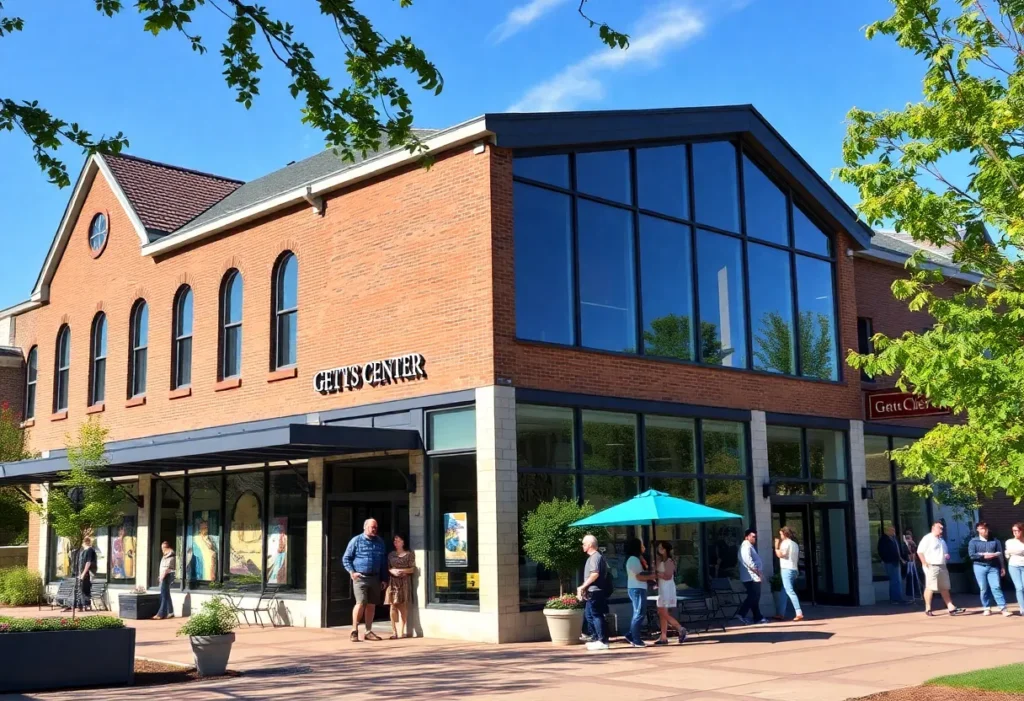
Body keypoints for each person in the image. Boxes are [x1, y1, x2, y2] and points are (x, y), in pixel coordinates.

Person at [342, 518, 389, 642]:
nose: (374, 529)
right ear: (365, 527)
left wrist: (384, 578)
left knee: (371, 604)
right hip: (360, 577)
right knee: (361, 602)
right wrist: (352, 572)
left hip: (375, 577)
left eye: (375, 527)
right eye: (372, 527)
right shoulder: (356, 541)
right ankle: (354, 630)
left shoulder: (380, 542)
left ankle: (368, 631)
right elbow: (346, 558)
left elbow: (384, 562)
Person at [917, 521, 966, 617]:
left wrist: (946, 556)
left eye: (942, 528)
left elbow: (944, 553)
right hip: (932, 565)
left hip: (942, 565)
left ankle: (951, 607)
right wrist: (924, 562)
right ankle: (928, 608)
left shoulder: (941, 540)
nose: (941, 530)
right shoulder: (927, 538)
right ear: (933, 528)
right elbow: (920, 551)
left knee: (944, 587)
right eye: (939, 528)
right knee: (930, 587)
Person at [968, 522, 1010, 616]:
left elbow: (1000, 554)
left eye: (986, 528)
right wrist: (983, 556)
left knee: (996, 587)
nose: (985, 530)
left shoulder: (995, 541)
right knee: (983, 588)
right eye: (982, 528)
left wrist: (1002, 567)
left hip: (993, 566)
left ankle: (1003, 608)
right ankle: (986, 607)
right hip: (979, 566)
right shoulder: (973, 541)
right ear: (978, 530)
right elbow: (972, 555)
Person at [577, 534, 610, 651]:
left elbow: (595, 574)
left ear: (590, 545)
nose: (583, 546)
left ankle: (602, 640)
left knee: (596, 615)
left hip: (595, 591)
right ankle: (597, 638)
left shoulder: (595, 557)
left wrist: (583, 586)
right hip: (592, 591)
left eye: (584, 544)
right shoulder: (593, 557)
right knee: (589, 615)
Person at [653, 542, 686, 645]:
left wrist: (657, 574)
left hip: (667, 588)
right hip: (662, 588)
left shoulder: (669, 561)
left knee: (663, 612)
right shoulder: (660, 560)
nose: (659, 549)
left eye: (661, 548)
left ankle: (680, 628)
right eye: (658, 548)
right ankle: (663, 636)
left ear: (666, 550)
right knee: (662, 612)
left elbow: (668, 575)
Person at [624, 538, 655, 647]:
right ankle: (636, 639)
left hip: (637, 588)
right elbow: (639, 576)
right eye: (641, 545)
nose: (644, 547)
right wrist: (652, 576)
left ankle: (631, 634)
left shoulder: (636, 559)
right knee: (639, 613)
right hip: (637, 588)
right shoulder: (633, 559)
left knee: (639, 613)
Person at [385, 534, 416, 639]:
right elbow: (388, 567)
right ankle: (393, 631)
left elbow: (412, 569)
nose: (396, 542)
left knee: (403, 606)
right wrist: (392, 571)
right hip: (393, 581)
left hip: (404, 582)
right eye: (394, 541)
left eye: (398, 540)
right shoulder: (391, 555)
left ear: (403, 542)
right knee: (392, 605)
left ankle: (401, 631)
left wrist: (402, 571)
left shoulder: (409, 554)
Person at [735, 529, 768, 625]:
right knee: (754, 596)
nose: (754, 538)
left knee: (755, 597)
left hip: (752, 576)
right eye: (752, 536)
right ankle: (741, 613)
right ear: (747, 537)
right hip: (751, 576)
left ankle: (758, 617)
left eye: (755, 537)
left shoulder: (749, 546)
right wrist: (758, 573)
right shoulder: (745, 546)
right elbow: (748, 561)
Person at [773, 526, 803, 621]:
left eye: (781, 534)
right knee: (784, 591)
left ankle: (799, 612)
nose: (780, 536)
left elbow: (781, 555)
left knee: (789, 590)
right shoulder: (795, 544)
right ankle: (781, 613)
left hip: (787, 569)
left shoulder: (785, 543)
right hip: (794, 569)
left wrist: (776, 546)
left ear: (785, 534)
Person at [878, 525, 909, 604]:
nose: (893, 532)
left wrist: (901, 559)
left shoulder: (894, 539)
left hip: (897, 561)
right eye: (891, 530)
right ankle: (895, 599)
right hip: (890, 562)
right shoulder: (884, 540)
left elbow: (897, 550)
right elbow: (882, 551)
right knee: (894, 580)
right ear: (886, 531)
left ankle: (898, 598)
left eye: (894, 530)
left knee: (897, 580)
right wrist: (887, 559)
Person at [1005, 522, 1024, 616]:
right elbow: (1009, 552)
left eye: (1017, 530)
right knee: (1019, 587)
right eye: (1013, 531)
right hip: (1014, 566)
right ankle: (1022, 608)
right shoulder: (1009, 542)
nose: (1015, 532)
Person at [155, 541, 176, 620]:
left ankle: (161, 614)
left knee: (163, 595)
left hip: (167, 576)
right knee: (166, 594)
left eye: (164, 548)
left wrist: (162, 577)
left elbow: (168, 569)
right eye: (162, 548)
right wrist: (160, 576)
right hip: (163, 576)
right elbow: (163, 568)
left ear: (167, 548)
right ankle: (170, 612)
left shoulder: (170, 556)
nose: (162, 550)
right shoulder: (165, 556)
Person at [75, 536, 97, 611]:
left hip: (86, 573)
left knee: (85, 589)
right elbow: (80, 563)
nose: (83, 543)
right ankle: (80, 605)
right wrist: (79, 573)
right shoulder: (83, 551)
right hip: (81, 573)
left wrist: (83, 573)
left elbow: (88, 562)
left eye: (84, 541)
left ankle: (86, 605)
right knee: (80, 589)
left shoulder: (90, 550)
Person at [903, 529, 922, 599]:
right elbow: (907, 553)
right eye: (907, 536)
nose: (908, 538)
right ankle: (912, 593)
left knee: (915, 578)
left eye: (909, 536)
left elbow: (914, 552)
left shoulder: (913, 543)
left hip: (914, 563)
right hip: (909, 563)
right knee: (911, 577)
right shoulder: (905, 544)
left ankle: (917, 592)